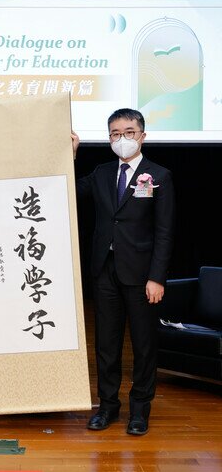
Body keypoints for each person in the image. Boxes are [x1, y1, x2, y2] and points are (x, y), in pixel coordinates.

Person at [74, 108, 175, 435]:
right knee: (106, 343)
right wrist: (71, 156)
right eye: (115, 134)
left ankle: (139, 411)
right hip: (105, 270)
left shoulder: (158, 175)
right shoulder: (102, 173)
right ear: (109, 138)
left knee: (144, 345)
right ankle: (107, 407)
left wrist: (157, 277)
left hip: (143, 275)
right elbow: (69, 191)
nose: (122, 139)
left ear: (142, 136)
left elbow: (164, 231)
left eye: (129, 132)